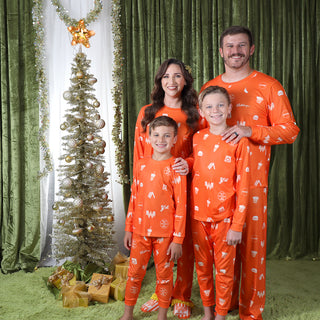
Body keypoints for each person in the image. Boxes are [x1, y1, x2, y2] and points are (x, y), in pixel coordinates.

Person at [201, 26, 300, 320]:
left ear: (252, 49)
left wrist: (250, 130)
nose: (235, 51)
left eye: (241, 46)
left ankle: (250, 312)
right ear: (221, 52)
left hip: (253, 182)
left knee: (252, 251)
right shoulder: (211, 87)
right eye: (229, 46)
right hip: (215, 186)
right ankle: (224, 303)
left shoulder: (270, 86)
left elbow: (290, 131)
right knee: (220, 249)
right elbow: (204, 136)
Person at [134, 58, 205, 319]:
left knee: (182, 242)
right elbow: (140, 154)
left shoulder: (196, 113)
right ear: (159, 81)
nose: (171, 81)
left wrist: (187, 163)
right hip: (153, 188)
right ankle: (160, 292)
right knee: (158, 243)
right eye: (166, 76)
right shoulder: (147, 113)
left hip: (184, 184)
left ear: (185, 80)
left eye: (177, 76)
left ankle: (182, 294)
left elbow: (204, 151)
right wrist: (139, 188)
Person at [190, 86, 250, 320]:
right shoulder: (197, 138)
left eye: (220, 105)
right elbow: (197, 164)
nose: (215, 110)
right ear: (202, 111)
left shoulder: (238, 141)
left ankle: (221, 315)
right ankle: (208, 313)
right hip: (198, 217)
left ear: (229, 108)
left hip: (225, 218)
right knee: (203, 269)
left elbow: (243, 185)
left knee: (224, 272)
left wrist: (237, 225)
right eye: (209, 106)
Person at [120, 116, 187, 320]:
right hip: (140, 231)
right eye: (156, 135)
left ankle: (162, 316)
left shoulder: (176, 167)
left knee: (164, 277)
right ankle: (127, 314)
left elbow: (182, 205)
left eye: (167, 135)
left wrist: (178, 240)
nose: (161, 139)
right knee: (134, 274)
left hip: (165, 235)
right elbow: (134, 196)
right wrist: (128, 228)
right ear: (148, 138)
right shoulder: (141, 165)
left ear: (175, 139)